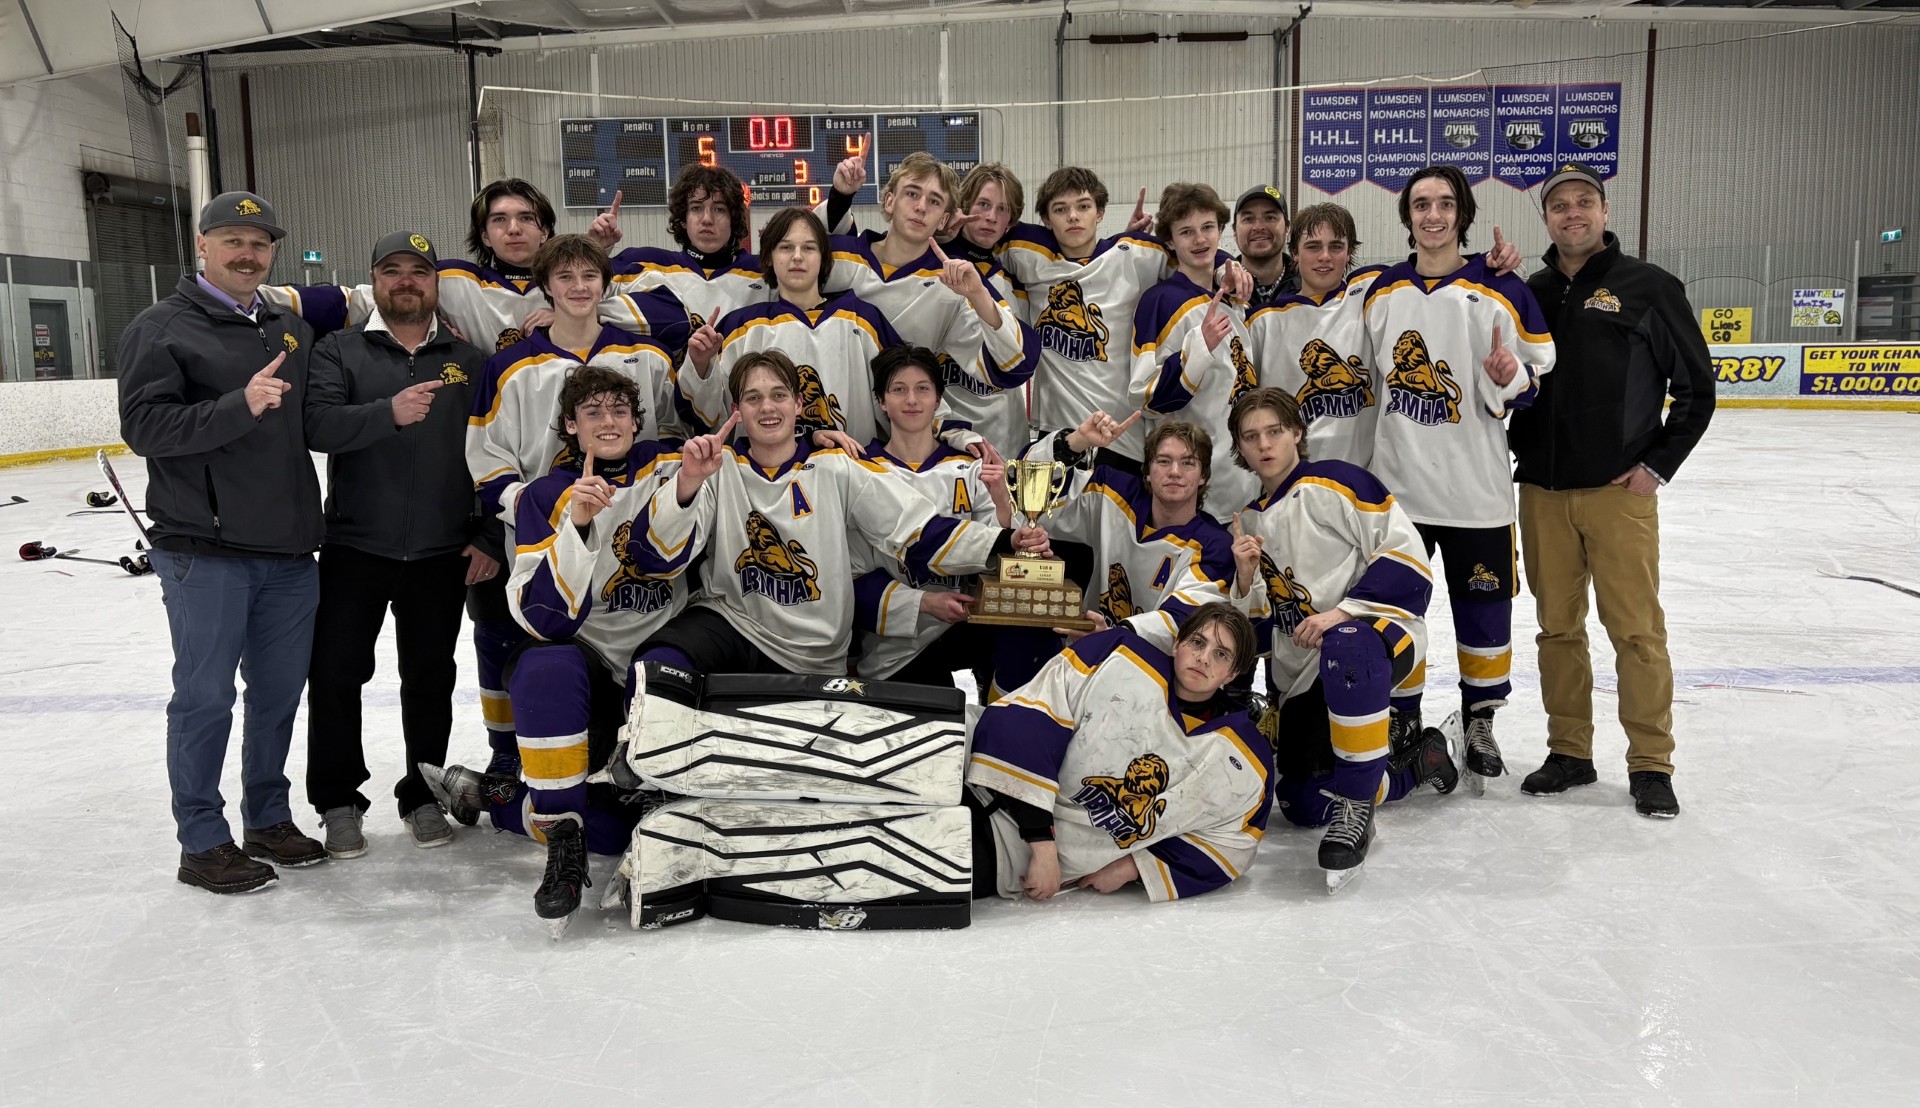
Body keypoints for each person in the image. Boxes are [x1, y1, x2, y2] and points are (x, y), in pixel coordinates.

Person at [117, 190, 328, 893]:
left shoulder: (286, 327)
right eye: (233, 240)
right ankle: (203, 841)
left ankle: (267, 818)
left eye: (260, 243)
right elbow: (145, 428)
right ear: (202, 246)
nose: (248, 253)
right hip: (204, 552)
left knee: (277, 697)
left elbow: (311, 424)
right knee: (205, 699)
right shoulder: (161, 327)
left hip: (288, 553)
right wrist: (240, 405)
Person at [433, 364, 690, 926]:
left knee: (624, 830)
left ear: (637, 420)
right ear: (570, 425)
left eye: (619, 410)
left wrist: (818, 438)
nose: (608, 421)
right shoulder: (543, 495)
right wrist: (578, 525)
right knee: (543, 665)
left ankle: (500, 800)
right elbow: (545, 619)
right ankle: (562, 840)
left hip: (660, 666)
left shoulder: (672, 466)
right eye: (592, 412)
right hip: (587, 678)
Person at [624, 350, 1048, 685]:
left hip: (814, 649)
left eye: (778, 395)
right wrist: (688, 482)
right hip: (733, 621)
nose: (767, 407)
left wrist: (1004, 541)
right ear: (736, 409)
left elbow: (917, 531)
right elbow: (654, 559)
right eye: (753, 398)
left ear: (799, 403)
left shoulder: (837, 467)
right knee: (656, 667)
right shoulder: (719, 468)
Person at [1510, 163, 1715, 819]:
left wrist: (1658, 465)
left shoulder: (1647, 286)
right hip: (1542, 493)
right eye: (1559, 205)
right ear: (1546, 218)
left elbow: (1697, 389)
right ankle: (1569, 751)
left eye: (1584, 202)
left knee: (1636, 632)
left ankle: (1651, 762)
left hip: (1618, 492)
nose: (1572, 213)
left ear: (1603, 212)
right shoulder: (1532, 292)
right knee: (1556, 630)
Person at [300, 231, 494, 859]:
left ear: (435, 283)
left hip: (441, 551)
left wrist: (488, 534)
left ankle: (422, 793)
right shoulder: (339, 350)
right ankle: (338, 801)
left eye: (419, 270)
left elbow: (497, 453)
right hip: (355, 546)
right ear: (375, 281)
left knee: (430, 679)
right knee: (335, 675)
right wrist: (387, 412)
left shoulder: (469, 359)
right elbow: (318, 425)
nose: (406, 280)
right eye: (392, 270)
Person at [1362, 165, 1556, 785]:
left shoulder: (1501, 286)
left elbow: (1537, 375)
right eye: (1421, 204)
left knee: (1484, 612)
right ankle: (1402, 716)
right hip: (1399, 494)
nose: (1433, 215)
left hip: (1477, 494)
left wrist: (1511, 376)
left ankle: (1480, 719)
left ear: (1462, 214)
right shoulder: (1382, 290)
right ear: (1407, 216)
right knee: (1399, 613)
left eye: (1445, 204)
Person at [1222, 388, 1456, 889]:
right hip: (1308, 671)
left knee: (1345, 644)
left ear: (1297, 433)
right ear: (1239, 447)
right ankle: (1418, 764)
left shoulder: (1339, 481)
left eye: (1274, 431)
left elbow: (1407, 557)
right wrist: (1243, 580)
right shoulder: (1249, 521)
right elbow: (1258, 633)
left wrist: (1342, 613)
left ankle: (1355, 809)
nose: (1264, 444)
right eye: (1251, 436)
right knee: (1302, 803)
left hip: (1378, 634)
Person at [964, 602, 1272, 902]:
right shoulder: (1116, 656)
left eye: (1221, 654)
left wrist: (1133, 866)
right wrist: (1041, 842)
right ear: (1177, 643)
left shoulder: (1246, 758)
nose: (1203, 658)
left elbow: (1233, 844)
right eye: (1197, 643)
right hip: (988, 796)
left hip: (1006, 855)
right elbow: (1028, 720)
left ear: (1233, 673)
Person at [849, 344, 1054, 697]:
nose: (911, 400)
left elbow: (1003, 556)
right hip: (900, 648)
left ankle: (1006, 720)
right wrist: (923, 602)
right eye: (898, 389)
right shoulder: (859, 471)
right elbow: (853, 577)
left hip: (971, 620)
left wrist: (1003, 503)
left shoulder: (970, 468)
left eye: (922, 389)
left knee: (1033, 634)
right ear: (881, 401)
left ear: (937, 399)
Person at [824, 152, 1038, 459]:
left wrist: (979, 296)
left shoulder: (951, 285)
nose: (921, 206)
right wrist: (840, 195)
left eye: (935, 201)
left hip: (902, 450)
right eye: (912, 193)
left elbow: (1015, 365)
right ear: (889, 201)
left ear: (945, 220)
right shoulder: (837, 257)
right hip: (829, 437)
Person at [679, 206, 907, 449]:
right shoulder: (740, 328)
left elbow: (906, 397)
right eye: (786, 247)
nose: (797, 256)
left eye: (809, 248)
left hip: (852, 468)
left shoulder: (864, 320)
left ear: (823, 257)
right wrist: (701, 365)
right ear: (768, 257)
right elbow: (706, 418)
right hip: (766, 471)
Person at [1022, 413, 1236, 642]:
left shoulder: (1216, 548)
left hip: (1149, 663)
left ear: (1204, 476)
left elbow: (1183, 624)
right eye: (1164, 461)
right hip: (1087, 654)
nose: (1175, 471)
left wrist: (1113, 636)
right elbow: (1029, 491)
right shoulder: (1112, 492)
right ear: (1148, 472)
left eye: (1188, 463)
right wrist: (1077, 441)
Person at [1132, 182, 1263, 512]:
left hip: (1245, 475)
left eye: (1207, 227)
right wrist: (1198, 350)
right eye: (1186, 232)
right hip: (1194, 486)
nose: (1200, 239)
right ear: (1170, 241)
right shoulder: (1160, 301)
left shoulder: (1234, 297)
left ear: (1221, 231)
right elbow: (1144, 397)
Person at [1245, 203, 1388, 468]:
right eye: (1313, 247)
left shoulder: (1369, 296)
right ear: (1294, 253)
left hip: (1358, 479)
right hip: (1288, 479)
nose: (1324, 256)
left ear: (1350, 252)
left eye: (1336, 246)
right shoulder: (1263, 322)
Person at [1231, 184, 1298, 306]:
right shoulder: (1218, 289)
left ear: (1287, 228)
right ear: (1235, 231)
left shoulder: (1309, 287)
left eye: (1270, 218)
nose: (1258, 227)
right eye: (1248, 219)